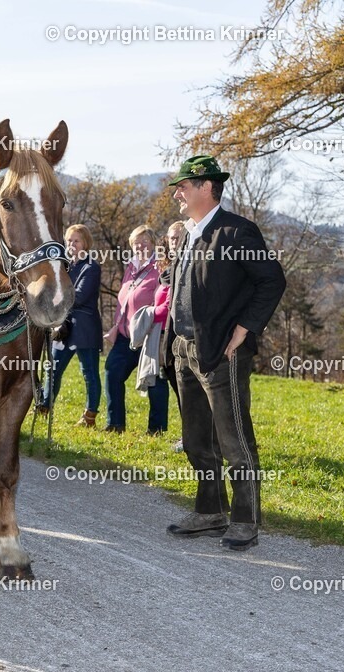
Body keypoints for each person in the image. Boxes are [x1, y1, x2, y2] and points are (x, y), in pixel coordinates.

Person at [164, 155, 286, 551]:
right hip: (183, 349)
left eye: (183, 185)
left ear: (206, 187)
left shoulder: (237, 231)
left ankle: (246, 520)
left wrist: (244, 328)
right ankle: (209, 511)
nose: (177, 192)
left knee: (234, 440)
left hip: (221, 352)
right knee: (197, 439)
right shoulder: (186, 233)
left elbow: (272, 281)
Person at [103, 225, 169, 434]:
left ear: (153, 244)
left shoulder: (159, 268)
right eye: (136, 243)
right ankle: (115, 424)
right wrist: (116, 326)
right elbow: (124, 301)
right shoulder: (130, 268)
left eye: (145, 242)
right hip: (126, 336)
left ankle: (156, 429)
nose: (140, 246)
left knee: (154, 381)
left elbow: (162, 300)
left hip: (149, 335)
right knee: (112, 372)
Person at [37, 224, 103, 426]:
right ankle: (44, 408)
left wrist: (56, 296)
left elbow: (80, 296)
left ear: (86, 243)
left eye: (77, 240)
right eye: (69, 240)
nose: (72, 244)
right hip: (63, 328)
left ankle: (89, 416)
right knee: (53, 369)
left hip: (84, 328)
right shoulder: (65, 266)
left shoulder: (91, 266)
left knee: (89, 373)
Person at [157, 222, 186, 453]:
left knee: (188, 388)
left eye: (178, 237)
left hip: (186, 336)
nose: (174, 242)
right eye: (171, 238)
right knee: (177, 384)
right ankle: (189, 434)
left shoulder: (188, 264)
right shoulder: (167, 269)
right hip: (168, 335)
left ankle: (194, 438)